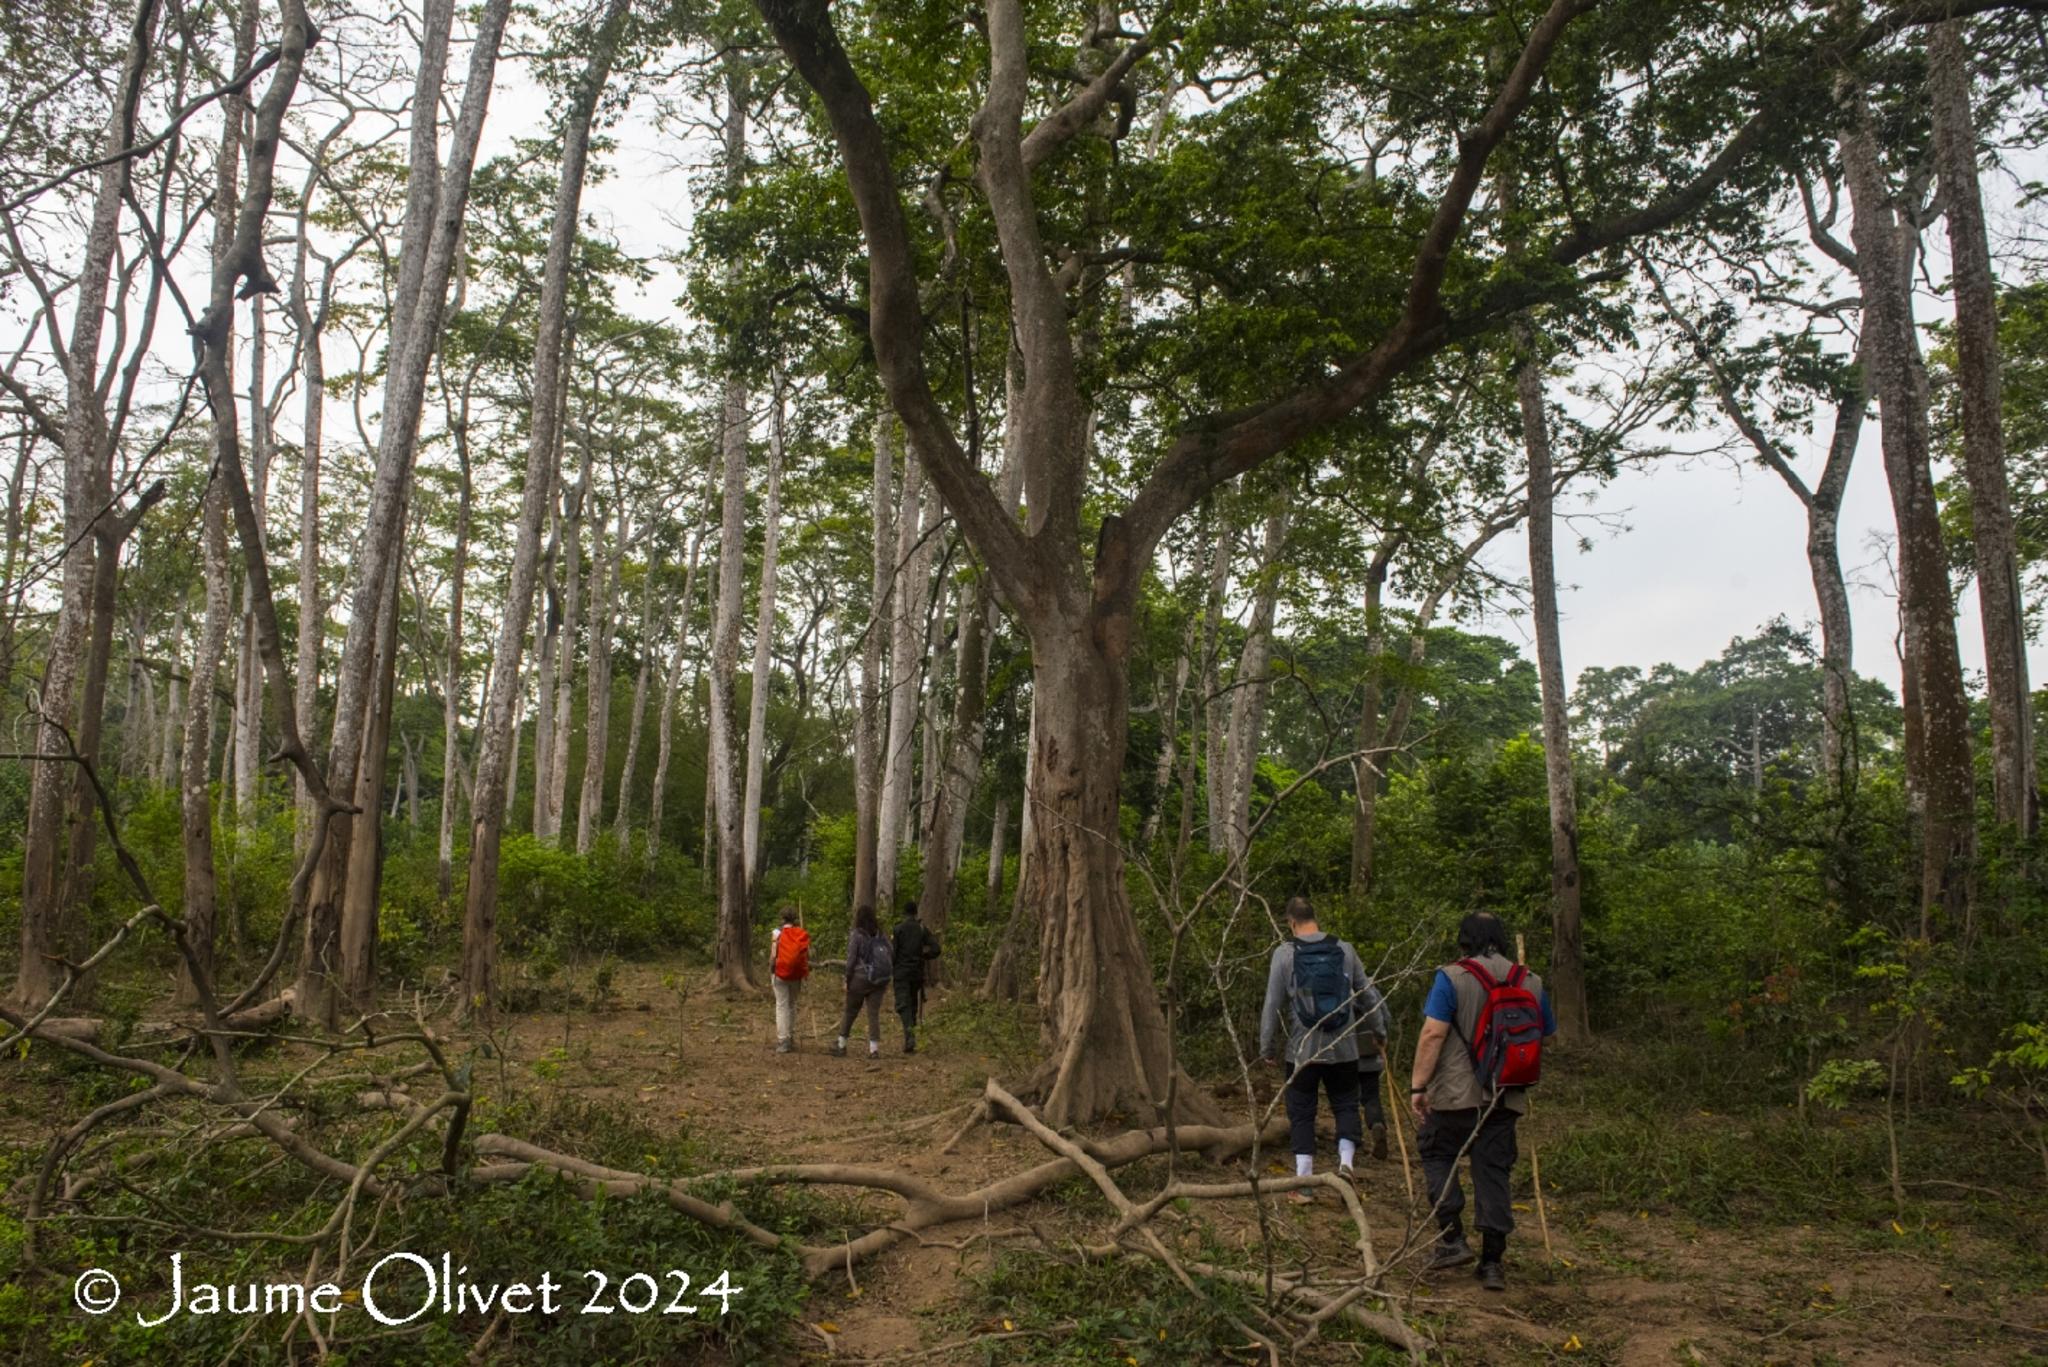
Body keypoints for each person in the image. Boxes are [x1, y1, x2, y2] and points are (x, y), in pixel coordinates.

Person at [1408, 911, 1558, 1293]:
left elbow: (1432, 1035)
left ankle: (1452, 1238)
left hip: (1454, 1095)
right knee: (1493, 1172)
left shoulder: (1451, 977)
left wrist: (1418, 1086)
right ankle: (1492, 1263)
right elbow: (1545, 1035)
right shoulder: (1531, 980)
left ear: (1464, 940)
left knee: (1438, 1154)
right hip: (1506, 1095)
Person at [1259, 895, 1384, 1201]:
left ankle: (1304, 1183)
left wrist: (1267, 1046)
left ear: (1291, 922)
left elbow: (1272, 1003)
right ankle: (1345, 1165)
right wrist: (1379, 1031)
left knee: (1302, 1111)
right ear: (1315, 918)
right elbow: (1367, 994)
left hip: (1302, 1050)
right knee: (1345, 1104)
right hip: (1344, 1049)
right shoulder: (1345, 949)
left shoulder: (1285, 953)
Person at [833, 906, 892, 1060]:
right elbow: (891, 952)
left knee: (850, 1011)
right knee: (873, 1014)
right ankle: (873, 1050)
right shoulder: (880, 934)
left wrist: (847, 979)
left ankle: (841, 1045)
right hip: (879, 980)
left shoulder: (856, 935)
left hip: (859, 979)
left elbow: (851, 960)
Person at [889, 901, 942, 1054]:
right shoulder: (922, 929)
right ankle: (911, 1039)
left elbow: (893, 953)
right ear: (916, 913)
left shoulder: (898, 929)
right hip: (917, 974)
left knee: (902, 1004)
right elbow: (936, 949)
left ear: (904, 913)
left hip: (902, 973)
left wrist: (892, 968)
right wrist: (924, 956)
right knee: (912, 1004)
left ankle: (909, 1037)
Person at [1355, 980, 1394, 1160]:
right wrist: (1381, 1036)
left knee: (1347, 1099)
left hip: (1345, 1055)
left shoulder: (1337, 986)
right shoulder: (1370, 987)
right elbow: (1385, 1017)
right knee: (1371, 1096)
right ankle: (1376, 1124)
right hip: (1370, 1054)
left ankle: (1352, 1140)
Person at [768, 906, 812, 1054]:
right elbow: (806, 955)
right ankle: (791, 1036)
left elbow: (773, 956)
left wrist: (771, 969)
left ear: (782, 918)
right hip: (796, 975)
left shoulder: (776, 933)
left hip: (779, 974)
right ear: (795, 919)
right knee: (792, 1004)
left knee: (781, 1005)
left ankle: (783, 1040)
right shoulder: (801, 933)